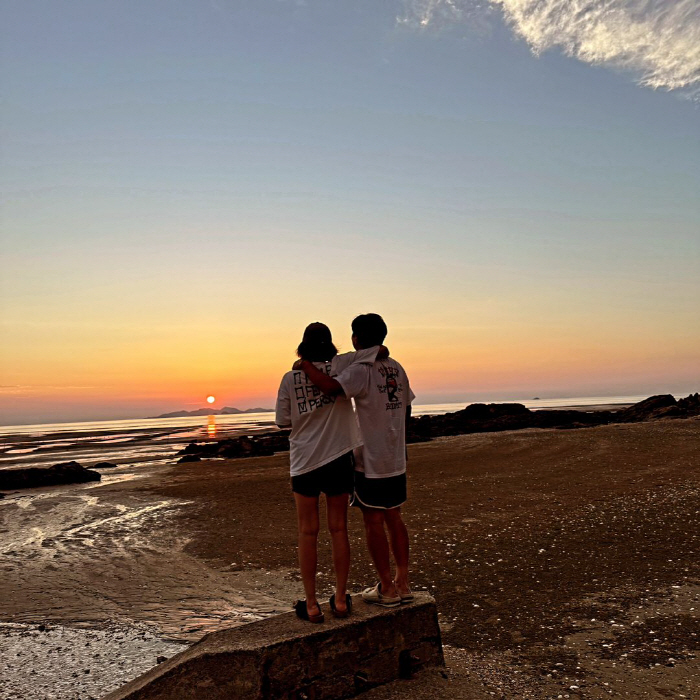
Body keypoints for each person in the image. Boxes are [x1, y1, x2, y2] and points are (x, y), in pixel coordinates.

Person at [294, 313, 414, 608]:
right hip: (395, 456)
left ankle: (386, 587)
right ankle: (403, 581)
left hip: (369, 458)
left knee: (373, 519)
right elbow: (407, 406)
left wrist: (306, 366)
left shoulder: (360, 370)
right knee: (394, 516)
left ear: (356, 338)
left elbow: (332, 387)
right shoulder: (397, 368)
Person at [275, 322, 382, 622]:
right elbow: (377, 350)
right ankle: (340, 599)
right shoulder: (341, 367)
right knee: (339, 529)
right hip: (338, 458)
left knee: (307, 532)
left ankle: (311, 604)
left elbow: (283, 421)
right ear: (331, 343)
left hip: (304, 461)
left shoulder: (290, 378)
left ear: (303, 345)